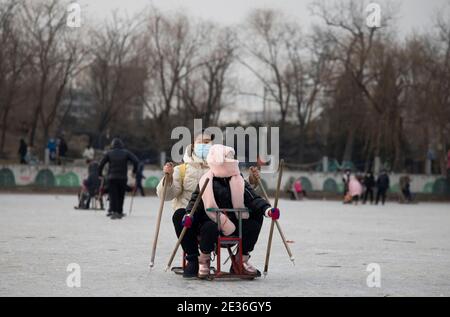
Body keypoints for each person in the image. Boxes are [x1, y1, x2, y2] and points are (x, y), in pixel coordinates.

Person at [157, 130, 260, 278]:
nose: (205, 145)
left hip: (219, 216)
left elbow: (236, 192)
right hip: (192, 217)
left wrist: (251, 182)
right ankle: (192, 259)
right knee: (179, 214)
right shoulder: (182, 169)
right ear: (193, 145)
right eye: (201, 142)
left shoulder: (223, 168)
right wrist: (168, 179)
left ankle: (240, 260)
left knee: (252, 214)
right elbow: (166, 195)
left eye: (208, 142)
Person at [177, 144, 278, 279]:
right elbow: (194, 203)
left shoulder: (238, 179)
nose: (233, 162)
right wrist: (189, 215)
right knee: (207, 227)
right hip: (213, 223)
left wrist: (267, 210)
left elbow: (253, 198)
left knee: (255, 218)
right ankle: (204, 258)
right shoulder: (206, 181)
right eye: (229, 159)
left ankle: (241, 259)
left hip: (235, 224)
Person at [98, 138, 139, 220]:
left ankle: (114, 211)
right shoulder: (126, 153)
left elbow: (101, 164)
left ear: (112, 145)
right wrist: (134, 171)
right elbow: (136, 161)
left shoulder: (109, 153)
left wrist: (100, 174)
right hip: (122, 178)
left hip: (111, 178)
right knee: (121, 195)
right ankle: (119, 211)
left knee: (113, 195)